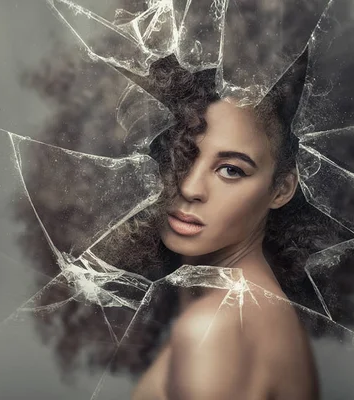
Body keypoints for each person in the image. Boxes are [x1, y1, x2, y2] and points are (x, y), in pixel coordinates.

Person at [98, 50, 321, 399]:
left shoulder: (214, 329)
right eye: (184, 154)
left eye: (231, 169)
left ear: (281, 189)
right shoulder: (252, 307)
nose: (189, 188)